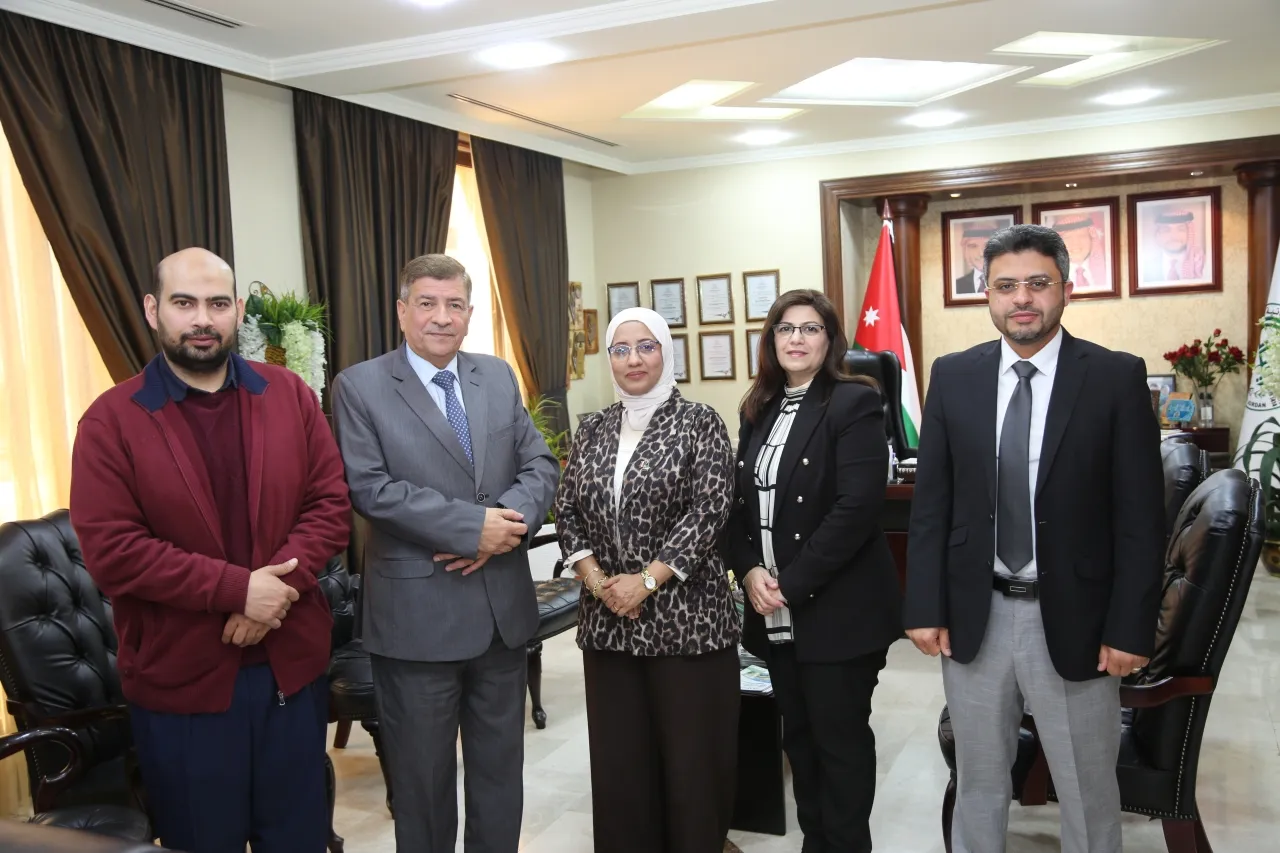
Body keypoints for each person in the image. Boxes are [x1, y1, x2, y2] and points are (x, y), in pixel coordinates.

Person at [69, 248, 351, 853]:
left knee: (298, 841)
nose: (203, 318)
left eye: (218, 303)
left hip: (290, 674)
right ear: (153, 310)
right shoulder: (110, 421)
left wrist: (272, 595)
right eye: (184, 303)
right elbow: (114, 551)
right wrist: (237, 590)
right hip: (183, 687)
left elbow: (329, 506)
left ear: (238, 311)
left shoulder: (289, 395)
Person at [904, 224, 1165, 853]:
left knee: (1087, 791)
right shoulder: (954, 376)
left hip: (1078, 617)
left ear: (1066, 290)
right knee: (979, 784)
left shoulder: (1114, 377)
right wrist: (924, 606)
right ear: (988, 296)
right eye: (1006, 286)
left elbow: (1139, 518)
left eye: (1037, 283)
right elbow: (932, 506)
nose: (1022, 298)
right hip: (977, 615)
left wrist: (1130, 628)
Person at [332, 253, 560, 853]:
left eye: (454, 304)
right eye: (427, 303)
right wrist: (471, 528)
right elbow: (370, 489)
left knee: (499, 780)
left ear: (469, 313)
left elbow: (540, 464)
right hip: (417, 622)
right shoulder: (359, 386)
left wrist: (503, 526)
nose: (441, 317)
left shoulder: (497, 376)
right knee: (424, 788)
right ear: (402, 311)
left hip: (501, 618)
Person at [555, 306, 739, 853]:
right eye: (620, 349)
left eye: (645, 346)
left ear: (665, 352)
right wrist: (601, 585)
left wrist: (646, 582)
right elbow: (568, 511)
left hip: (686, 624)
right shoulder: (592, 427)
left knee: (690, 764)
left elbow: (709, 511)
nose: (633, 359)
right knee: (621, 766)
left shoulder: (700, 421)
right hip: (607, 625)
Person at [725, 289, 902, 853]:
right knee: (799, 743)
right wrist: (749, 571)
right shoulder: (757, 408)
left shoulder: (854, 402)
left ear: (830, 340)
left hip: (838, 612)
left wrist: (789, 585)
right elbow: (738, 505)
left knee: (838, 746)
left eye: (810, 328)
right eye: (785, 328)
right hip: (775, 613)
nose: (796, 339)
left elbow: (857, 508)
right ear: (771, 341)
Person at [1049, 212, 1108, 293]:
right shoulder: (1050, 277)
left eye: (1081, 236)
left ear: (1092, 238)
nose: (1075, 243)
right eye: (1068, 237)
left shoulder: (1109, 271)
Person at [1144, 207, 1206, 282]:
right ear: (1158, 234)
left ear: (1189, 233)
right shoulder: (1144, 267)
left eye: (1181, 229)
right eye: (1166, 230)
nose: (1174, 236)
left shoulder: (1202, 264)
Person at [955, 221, 1001, 294]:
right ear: (965, 250)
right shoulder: (957, 286)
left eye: (986, 245)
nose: (981, 253)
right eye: (973, 246)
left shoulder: (1008, 281)